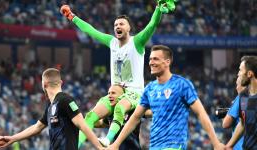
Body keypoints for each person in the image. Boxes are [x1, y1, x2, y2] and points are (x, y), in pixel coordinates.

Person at [60, 1, 176, 147]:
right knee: (89, 116)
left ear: (129, 28)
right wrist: (72, 17)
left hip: (134, 93)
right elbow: (91, 31)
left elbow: (151, 26)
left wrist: (158, 10)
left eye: (121, 24)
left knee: (121, 108)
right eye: (115, 25)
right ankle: (74, 147)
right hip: (115, 92)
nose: (117, 27)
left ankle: (108, 140)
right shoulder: (112, 42)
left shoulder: (137, 42)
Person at [108, 45, 225, 150]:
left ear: (167, 62)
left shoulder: (182, 84)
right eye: (150, 59)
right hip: (154, 146)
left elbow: (200, 113)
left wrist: (216, 143)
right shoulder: (150, 89)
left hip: (174, 145)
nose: (151, 62)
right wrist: (116, 144)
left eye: (155, 59)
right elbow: (135, 117)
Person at [0, 68, 102, 150]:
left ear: (44, 84)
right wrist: (12, 139)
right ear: (61, 82)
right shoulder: (50, 105)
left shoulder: (66, 100)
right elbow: (36, 128)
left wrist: (100, 148)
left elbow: (82, 124)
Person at [226, 56, 257, 150]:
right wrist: (229, 146)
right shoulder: (243, 96)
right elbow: (243, 124)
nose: (238, 74)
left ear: (249, 74)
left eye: (240, 70)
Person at [222, 76, 245, 150]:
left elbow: (225, 124)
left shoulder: (240, 97)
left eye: (237, 85)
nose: (236, 88)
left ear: (244, 85)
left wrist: (226, 114)